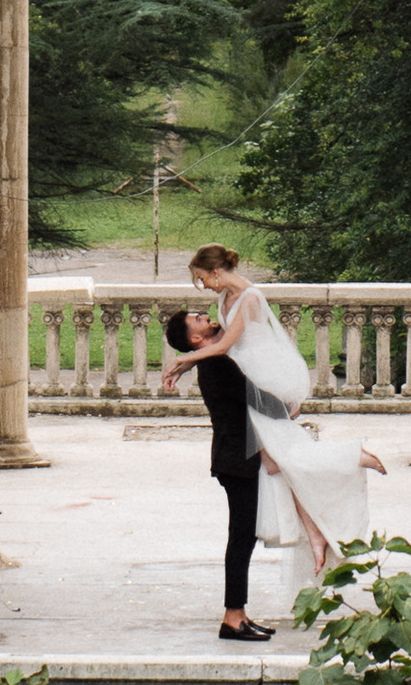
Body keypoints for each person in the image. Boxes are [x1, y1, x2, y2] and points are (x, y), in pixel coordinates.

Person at [160, 244, 389, 585]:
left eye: (203, 278)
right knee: (273, 462)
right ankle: (315, 534)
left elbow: (221, 347)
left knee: (283, 457)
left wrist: (181, 361)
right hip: (247, 378)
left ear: (217, 272)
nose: (204, 286)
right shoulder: (223, 301)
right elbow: (207, 344)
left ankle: (351, 454)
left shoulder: (250, 298)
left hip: (260, 379)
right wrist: (184, 364)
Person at [163, 302, 274, 644]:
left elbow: (234, 329)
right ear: (196, 337)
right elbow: (251, 398)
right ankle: (233, 617)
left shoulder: (212, 359)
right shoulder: (216, 364)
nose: (205, 316)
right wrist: (286, 404)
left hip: (235, 458)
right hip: (236, 460)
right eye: (198, 319)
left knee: (244, 537)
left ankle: (238, 614)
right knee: (241, 539)